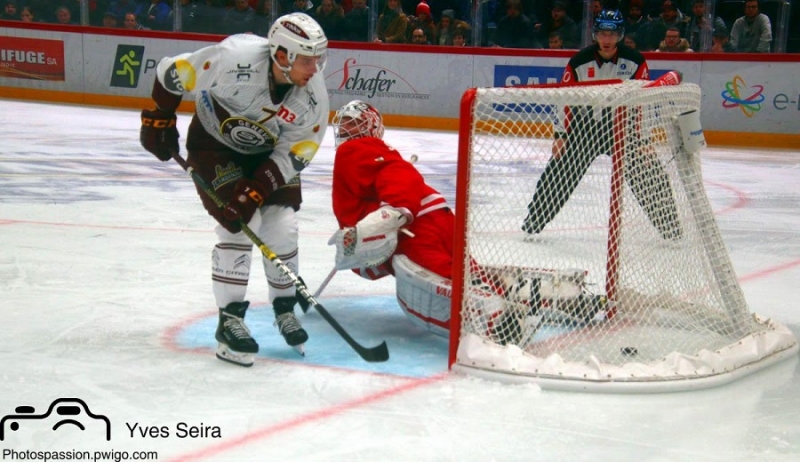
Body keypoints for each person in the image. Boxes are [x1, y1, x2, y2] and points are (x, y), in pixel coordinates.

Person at [328, 101, 606, 344]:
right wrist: (359, 251)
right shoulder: (371, 150)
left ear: (371, 127)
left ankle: (502, 324)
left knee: (446, 285)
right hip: (438, 219)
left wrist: (394, 212)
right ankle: (566, 297)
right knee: (471, 276)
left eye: (354, 123)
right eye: (345, 124)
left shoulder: (352, 150)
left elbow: (397, 177)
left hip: (415, 232)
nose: (347, 129)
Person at [139, 13, 329, 367]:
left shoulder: (312, 97)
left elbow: (297, 152)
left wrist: (257, 187)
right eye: (307, 59)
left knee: (283, 226)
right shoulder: (233, 58)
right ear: (282, 56)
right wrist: (160, 116)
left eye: (318, 58)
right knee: (241, 225)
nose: (314, 68)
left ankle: (284, 309)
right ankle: (229, 321)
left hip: (268, 154)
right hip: (215, 146)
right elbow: (171, 72)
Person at [521, 9, 682, 241]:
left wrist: (644, 140)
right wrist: (560, 135)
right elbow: (563, 99)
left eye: (612, 34)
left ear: (620, 35)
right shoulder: (579, 61)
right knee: (558, 173)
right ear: (595, 35)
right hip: (586, 127)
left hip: (623, 128)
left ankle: (671, 229)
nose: (607, 40)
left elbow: (643, 102)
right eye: (603, 34)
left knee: (649, 173)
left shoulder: (635, 61)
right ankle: (533, 223)